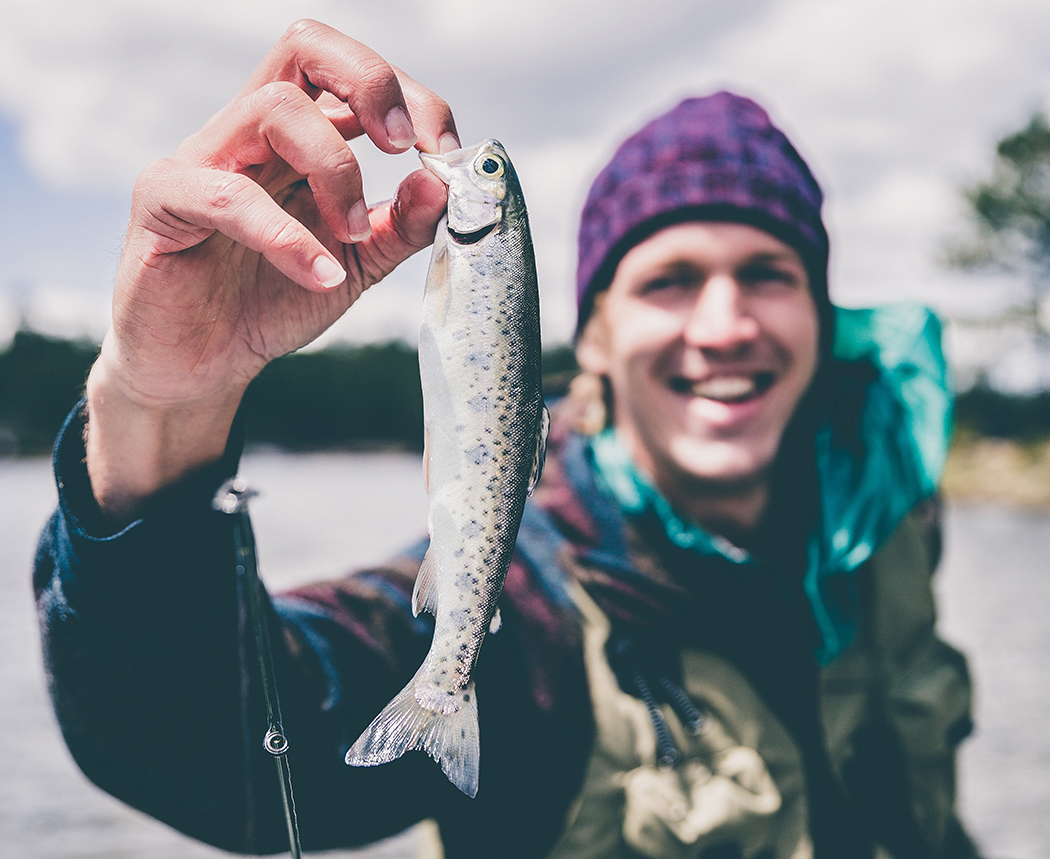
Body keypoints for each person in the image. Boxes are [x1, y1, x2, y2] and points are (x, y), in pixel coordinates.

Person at [34, 19, 983, 859]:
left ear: (823, 315)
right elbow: (196, 748)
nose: (725, 324)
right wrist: (157, 409)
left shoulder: (887, 525)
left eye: (769, 273)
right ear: (597, 337)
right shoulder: (527, 609)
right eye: (671, 279)